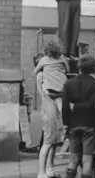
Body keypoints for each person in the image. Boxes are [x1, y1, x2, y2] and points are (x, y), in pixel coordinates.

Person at [62, 55, 95, 178]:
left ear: (78, 68)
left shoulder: (68, 84)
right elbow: (91, 105)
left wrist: (66, 123)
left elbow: (64, 107)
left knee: (73, 159)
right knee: (87, 159)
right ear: (94, 69)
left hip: (73, 124)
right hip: (89, 124)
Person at [35, 42, 69, 178]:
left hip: (53, 105)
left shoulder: (43, 66)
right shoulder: (42, 76)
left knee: (53, 143)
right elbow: (66, 68)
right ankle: (42, 172)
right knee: (48, 142)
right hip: (49, 110)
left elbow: (36, 70)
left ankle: (49, 169)